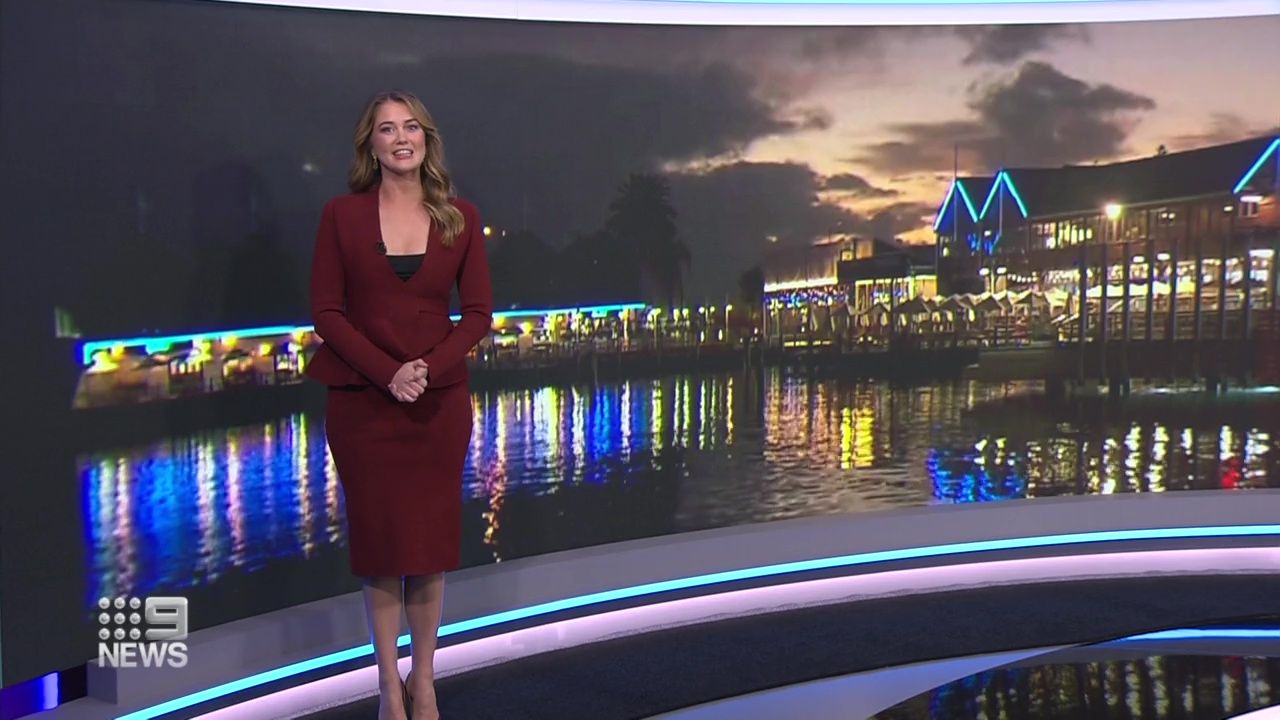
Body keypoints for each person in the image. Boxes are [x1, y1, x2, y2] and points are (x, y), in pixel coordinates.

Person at [305, 89, 492, 720]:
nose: (401, 138)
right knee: (382, 548)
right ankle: (389, 686)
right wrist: (389, 374)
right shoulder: (341, 216)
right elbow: (326, 313)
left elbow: (479, 314)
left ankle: (426, 681)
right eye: (387, 129)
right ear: (372, 145)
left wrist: (426, 370)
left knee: (428, 548)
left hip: (436, 407)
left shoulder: (459, 217)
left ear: (426, 139)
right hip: (364, 405)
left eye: (411, 127)